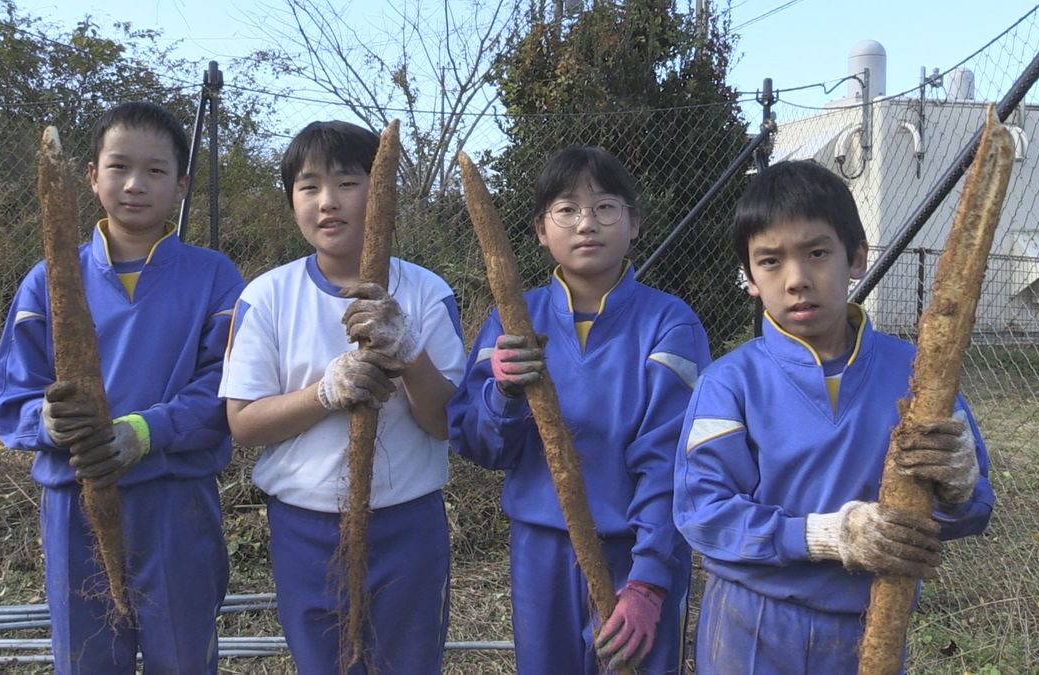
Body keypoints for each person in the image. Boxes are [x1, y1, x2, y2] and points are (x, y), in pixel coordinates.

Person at [673, 160, 995, 673]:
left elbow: (973, 510)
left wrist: (958, 486)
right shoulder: (729, 384)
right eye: (771, 261)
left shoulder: (917, 374)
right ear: (750, 278)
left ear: (857, 257)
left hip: (870, 627)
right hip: (750, 627)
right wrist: (826, 534)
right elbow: (704, 516)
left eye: (817, 253)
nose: (797, 280)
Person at [0, 101, 245, 673]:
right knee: (85, 655)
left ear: (181, 186)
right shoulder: (50, 279)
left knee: (181, 652)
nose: (135, 185)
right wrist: (46, 422)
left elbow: (226, 389)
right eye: (119, 167)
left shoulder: (214, 277)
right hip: (73, 500)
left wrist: (145, 430)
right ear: (91, 175)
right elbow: (14, 396)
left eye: (155, 171)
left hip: (173, 502)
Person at [448, 145, 711, 674]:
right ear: (542, 230)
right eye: (566, 209)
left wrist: (649, 582)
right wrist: (502, 394)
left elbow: (673, 463)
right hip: (540, 550)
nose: (586, 223)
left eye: (606, 207)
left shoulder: (669, 325)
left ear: (633, 222)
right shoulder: (513, 321)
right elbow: (480, 445)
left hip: (635, 550)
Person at [218, 120, 465, 674]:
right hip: (305, 525)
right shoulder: (267, 296)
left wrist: (408, 354)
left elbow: (446, 421)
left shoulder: (426, 292)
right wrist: (326, 392)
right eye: (309, 186)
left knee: (408, 660)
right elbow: (244, 423)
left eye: (348, 182)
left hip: (406, 522)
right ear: (292, 202)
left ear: (382, 194)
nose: (328, 202)